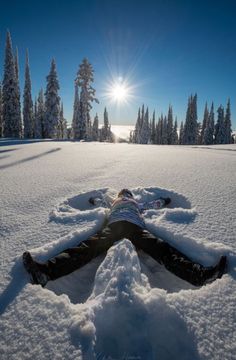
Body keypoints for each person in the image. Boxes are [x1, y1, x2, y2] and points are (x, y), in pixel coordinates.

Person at [23, 189, 227, 287]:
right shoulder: (115, 202)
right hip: (118, 227)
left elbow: (153, 205)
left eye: (126, 194)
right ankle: (46, 272)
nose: (125, 196)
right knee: (86, 248)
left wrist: (163, 201)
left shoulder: (136, 205)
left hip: (131, 228)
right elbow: (103, 199)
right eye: (123, 194)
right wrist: (94, 199)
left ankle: (199, 275)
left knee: (162, 249)